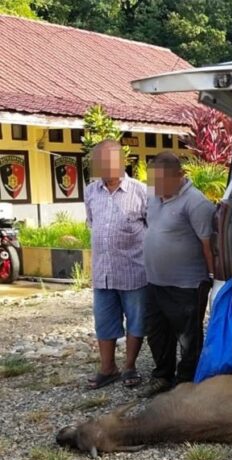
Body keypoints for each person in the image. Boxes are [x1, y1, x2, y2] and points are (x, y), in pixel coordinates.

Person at [139, 152, 215, 398]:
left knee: (188, 337)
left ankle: (185, 383)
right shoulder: (153, 198)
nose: (157, 186)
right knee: (157, 332)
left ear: (180, 176)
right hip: (154, 281)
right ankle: (162, 376)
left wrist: (213, 279)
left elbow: (208, 245)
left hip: (187, 285)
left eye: (162, 181)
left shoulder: (197, 203)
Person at [84, 139, 148, 389]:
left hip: (134, 271)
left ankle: (129, 366)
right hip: (103, 273)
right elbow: (92, 223)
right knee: (104, 322)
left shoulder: (141, 191)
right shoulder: (91, 192)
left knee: (136, 320)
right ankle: (107, 368)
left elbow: (152, 229)